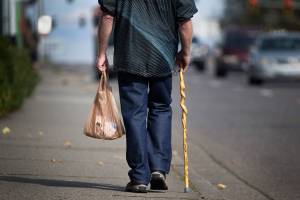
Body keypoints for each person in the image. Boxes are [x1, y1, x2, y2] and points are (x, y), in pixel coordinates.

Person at [97, 0, 197, 193]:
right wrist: (185, 53)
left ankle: (139, 176)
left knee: (135, 114)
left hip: (129, 55)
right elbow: (185, 21)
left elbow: (107, 15)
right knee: (160, 108)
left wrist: (102, 53)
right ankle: (158, 169)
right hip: (163, 56)